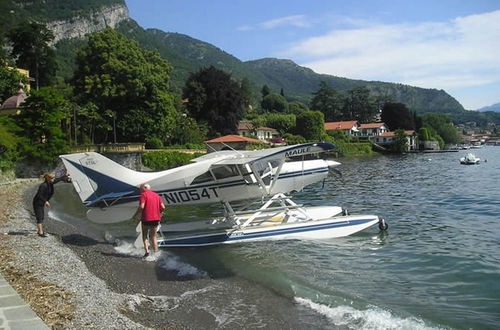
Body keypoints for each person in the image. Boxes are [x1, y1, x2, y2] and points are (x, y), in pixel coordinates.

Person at [32, 172, 71, 237]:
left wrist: (64, 176)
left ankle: (39, 231)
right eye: (52, 178)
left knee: (41, 216)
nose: (53, 179)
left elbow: (58, 179)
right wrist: (45, 201)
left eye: (54, 178)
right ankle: (40, 232)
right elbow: (39, 195)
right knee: (40, 216)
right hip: (38, 202)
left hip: (42, 202)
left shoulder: (50, 183)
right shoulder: (43, 186)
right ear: (48, 178)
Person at [135, 183, 165, 258]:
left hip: (146, 218)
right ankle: (156, 253)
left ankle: (147, 252)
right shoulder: (156, 195)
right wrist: (160, 213)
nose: (140, 190)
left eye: (141, 188)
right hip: (156, 219)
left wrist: (135, 215)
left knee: (144, 235)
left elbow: (142, 207)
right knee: (153, 236)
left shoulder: (143, 195)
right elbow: (163, 207)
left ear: (145, 188)